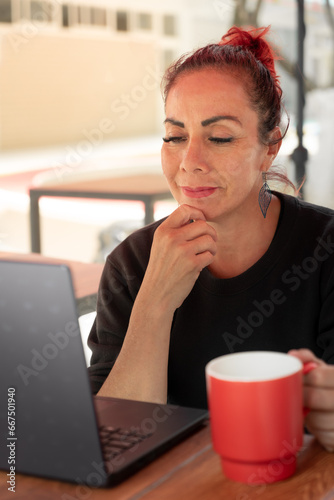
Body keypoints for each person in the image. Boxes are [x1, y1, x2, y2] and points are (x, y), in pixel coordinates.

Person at [88, 26, 334, 452]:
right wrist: (155, 303)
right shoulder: (131, 263)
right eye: (175, 136)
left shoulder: (325, 250)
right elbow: (113, 441)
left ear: (270, 146)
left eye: (219, 137)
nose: (190, 162)